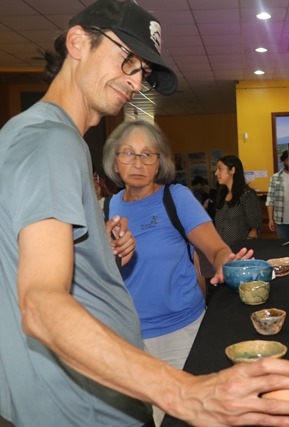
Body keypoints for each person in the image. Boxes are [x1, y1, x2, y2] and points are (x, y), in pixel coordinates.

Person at [0, 1, 289, 426]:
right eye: (126, 59)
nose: (134, 81)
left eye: (143, 73)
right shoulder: (52, 142)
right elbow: (40, 303)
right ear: (78, 41)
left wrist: (102, 251)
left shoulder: (30, 135)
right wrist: (184, 392)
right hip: (83, 404)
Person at [102, 120, 235, 425]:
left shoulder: (176, 198)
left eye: (148, 154)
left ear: (160, 162)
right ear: (114, 160)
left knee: (186, 418)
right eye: (128, 153)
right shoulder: (105, 209)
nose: (138, 162)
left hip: (181, 335)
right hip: (129, 341)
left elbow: (216, 249)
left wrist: (225, 261)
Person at [214, 154, 262, 244]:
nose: (216, 173)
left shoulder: (246, 196)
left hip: (241, 252)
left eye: (220, 169)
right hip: (224, 250)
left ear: (232, 170)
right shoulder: (221, 194)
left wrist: (243, 248)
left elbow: (254, 229)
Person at [266, 150, 289, 239]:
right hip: (281, 221)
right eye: (288, 160)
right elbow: (270, 200)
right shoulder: (275, 177)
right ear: (283, 161)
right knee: (284, 246)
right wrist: (270, 219)